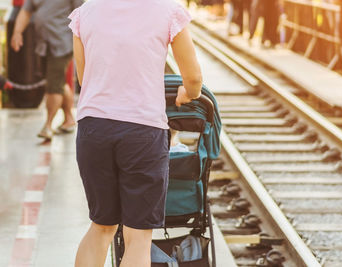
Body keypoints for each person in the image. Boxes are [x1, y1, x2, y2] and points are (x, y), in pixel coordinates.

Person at [68, 0, 202, 266]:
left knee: (101, 226)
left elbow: (85, 79)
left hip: (94, 129)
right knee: (138, 236)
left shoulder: (86, 12)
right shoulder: (168, 11)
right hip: (142, 129)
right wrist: (189, 93)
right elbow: (194, 79)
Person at [11, 0, 82, 139]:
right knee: (57, 82)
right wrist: (17, 32)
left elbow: (82, 13)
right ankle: (69, 119)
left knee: (53, 87)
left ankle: (48, 125)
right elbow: (26, 11)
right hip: (43, 45)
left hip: (62, 43)